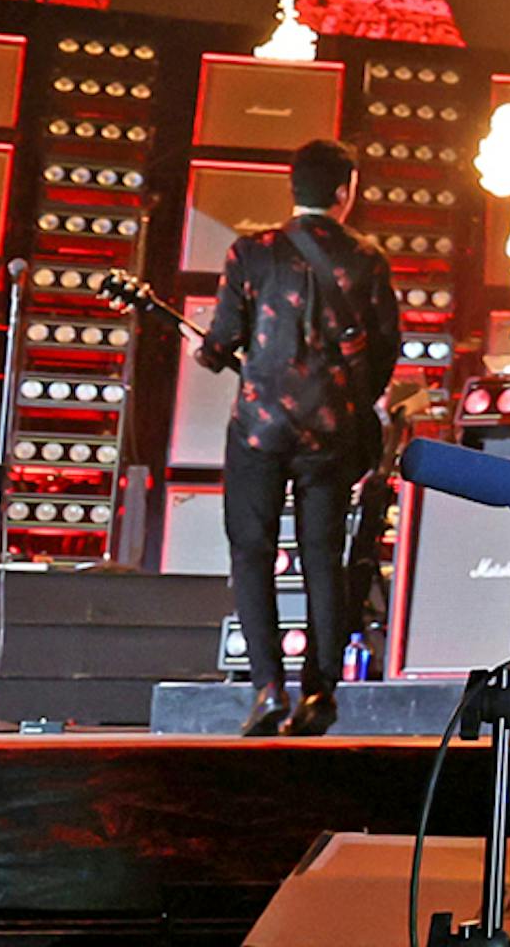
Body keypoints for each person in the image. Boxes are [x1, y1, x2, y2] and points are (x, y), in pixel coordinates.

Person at [196, 135, 401, 737]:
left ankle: (267, 690)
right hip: (332, 431)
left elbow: (222, 341)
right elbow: (386, 350)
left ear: (295, 188)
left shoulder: (250, 252)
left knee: (251, 550)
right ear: (345, 191)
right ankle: (320, 691)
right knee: (323, 555)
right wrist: (353, 399)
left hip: (260, 427)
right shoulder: (367, 259)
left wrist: (205, 353)